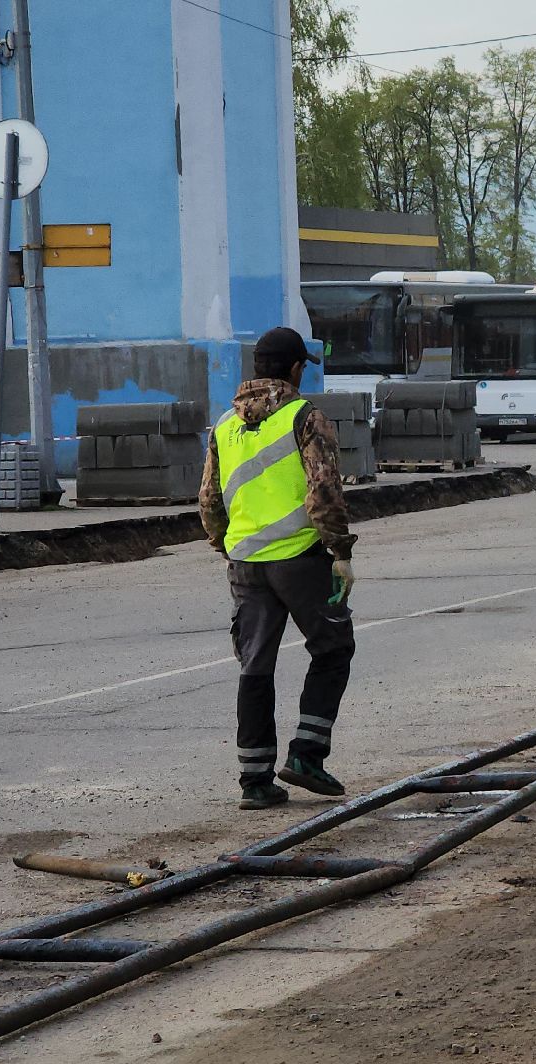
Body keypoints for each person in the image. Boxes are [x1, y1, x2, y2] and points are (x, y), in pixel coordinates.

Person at [199, 326, 360, 811]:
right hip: (301, 560)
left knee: (255, 665)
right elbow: (323, 489)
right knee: (333, 648)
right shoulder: (305, 417)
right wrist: (341, 552)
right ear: (294, 369)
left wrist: (226, 546)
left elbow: (209, 499)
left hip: (245, 563)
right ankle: (307, 755)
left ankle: (255, 779)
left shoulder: (224, 425)